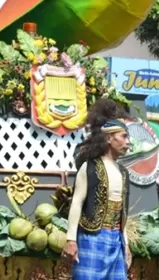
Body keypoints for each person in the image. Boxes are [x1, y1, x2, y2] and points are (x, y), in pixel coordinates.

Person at [63, 99, 131, 280]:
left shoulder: (123, 172)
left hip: (116, 240)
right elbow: (76, 202)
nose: (128, 142)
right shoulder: (90, 167)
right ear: (109, 138)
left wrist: (126, 243)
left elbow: (122, 212)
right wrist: (71, 239)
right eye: (124, 136)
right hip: (91, 239)